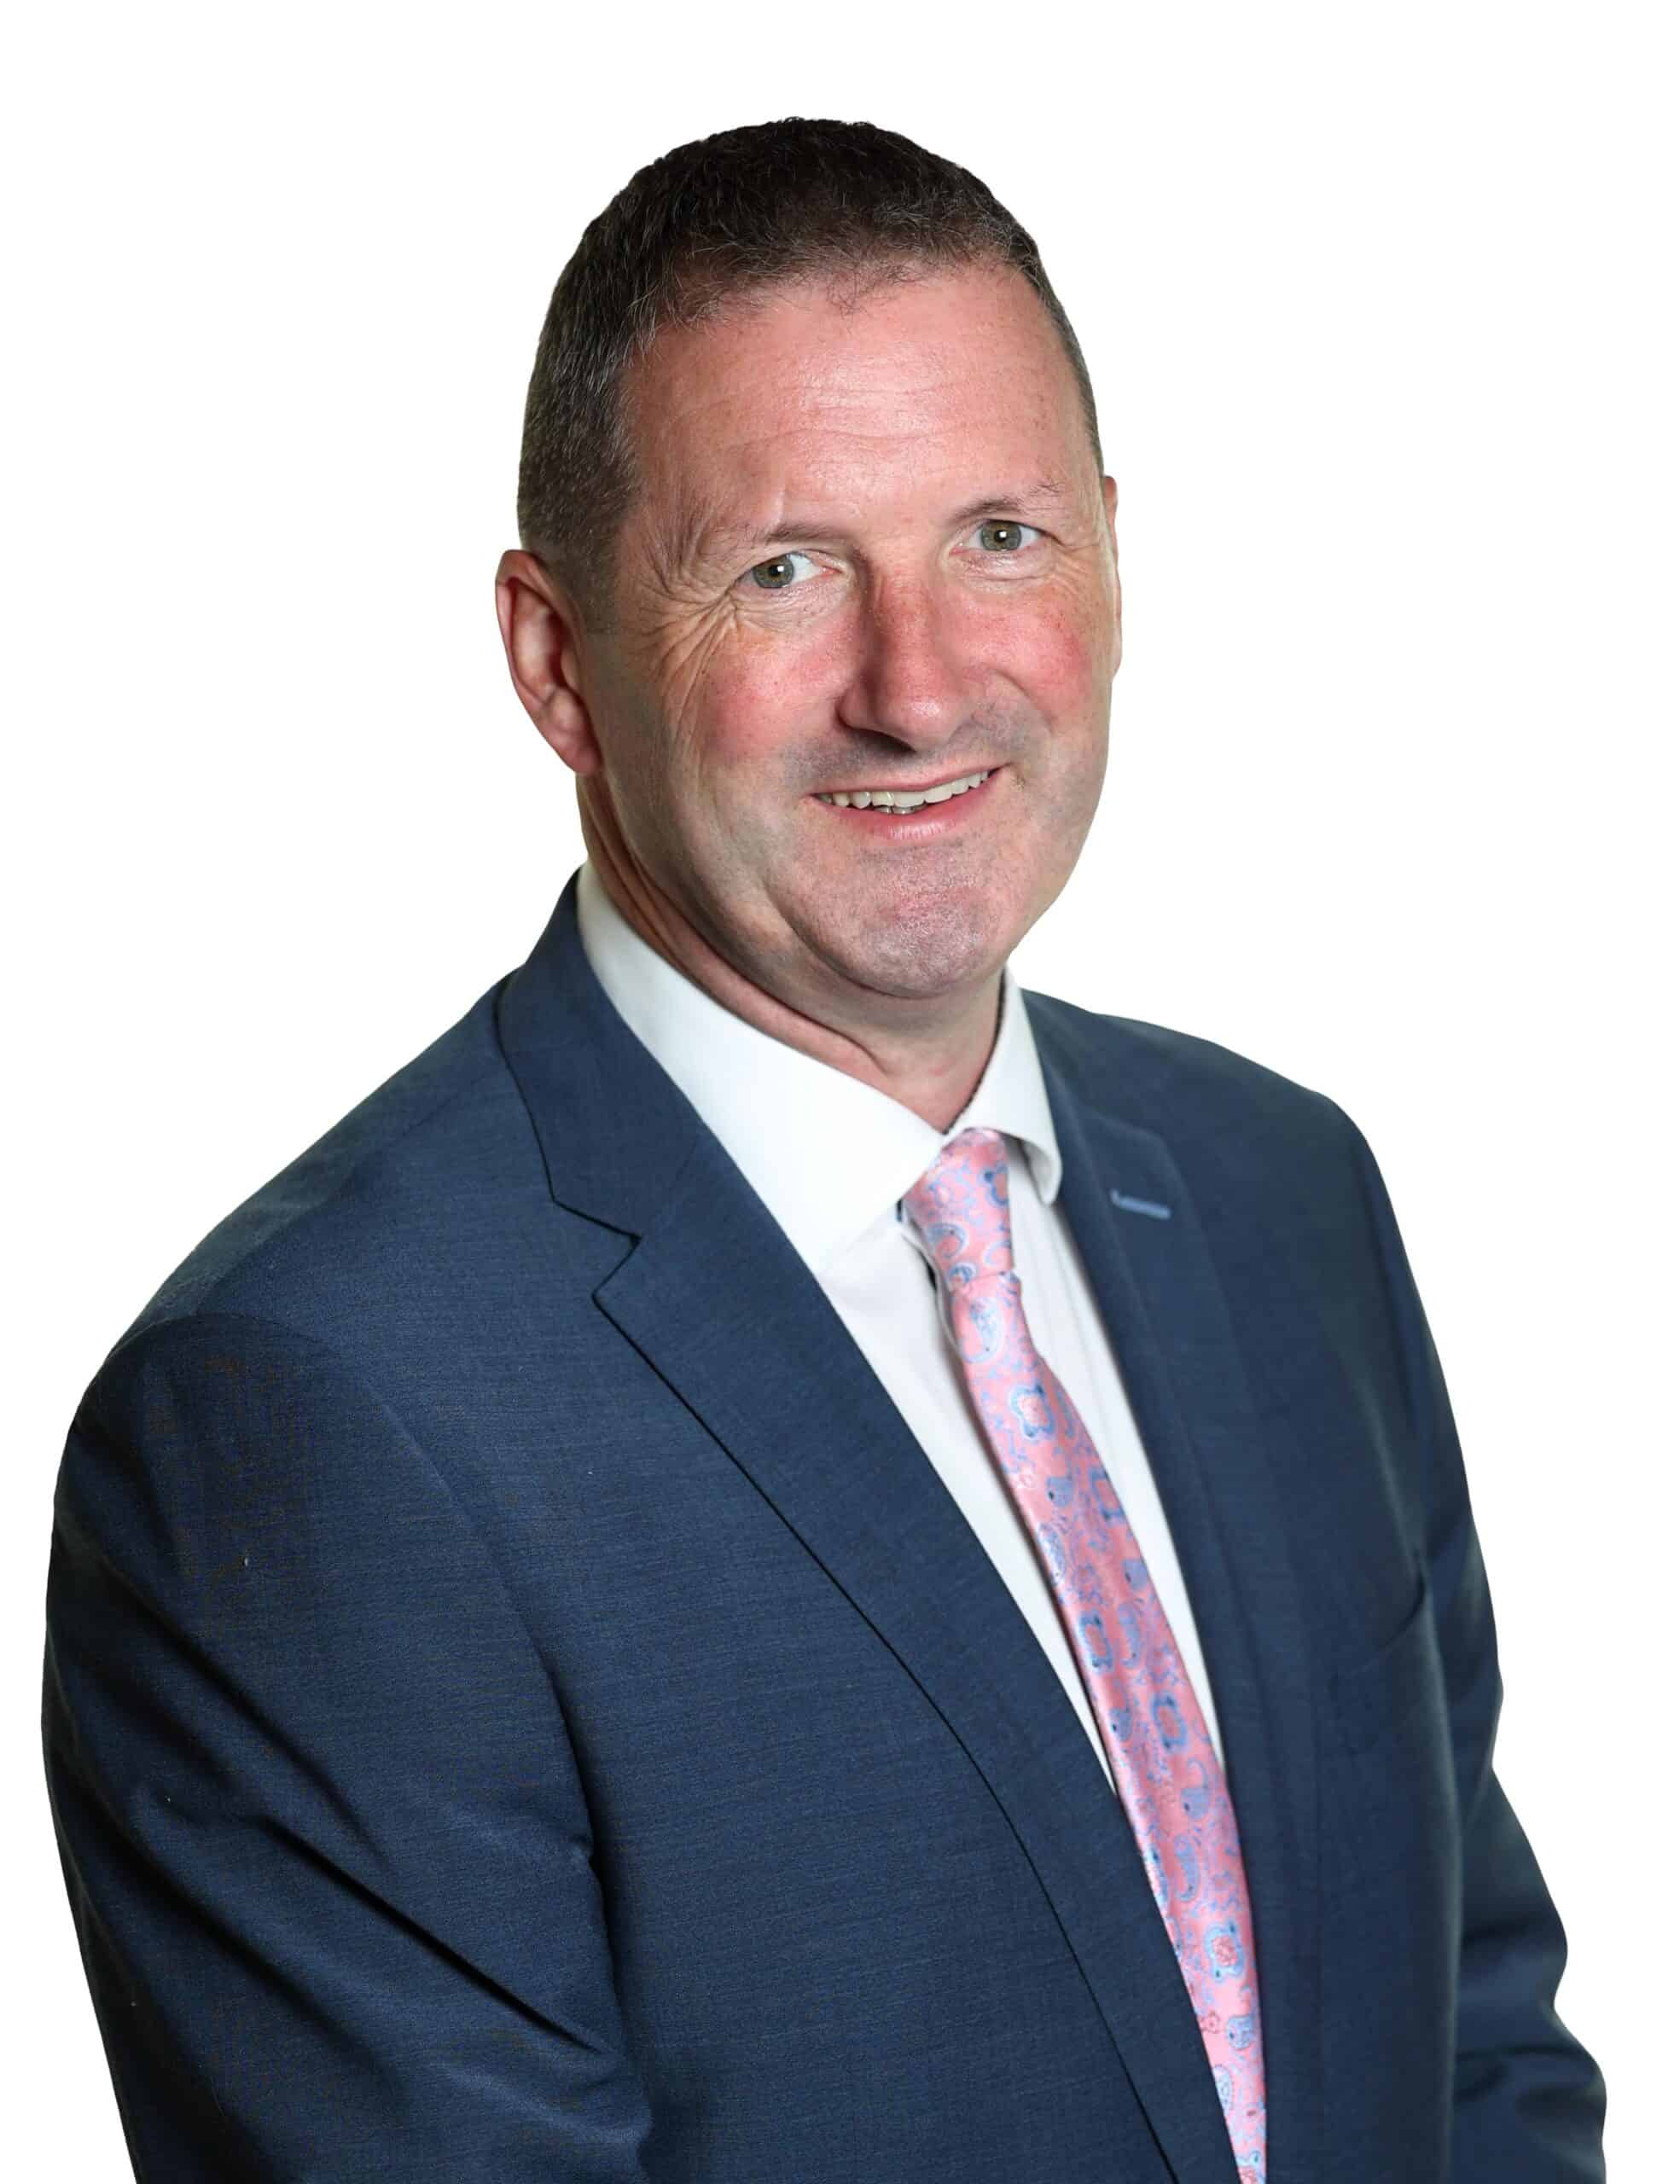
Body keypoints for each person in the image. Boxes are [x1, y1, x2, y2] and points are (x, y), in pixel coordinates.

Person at [42, 117, 1605, 2182]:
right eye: (784, 569)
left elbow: (1472, 2046)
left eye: (1000, 537)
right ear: (558, 661)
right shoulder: (311, 1413)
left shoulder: (1276, 1193)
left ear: (1113, 557)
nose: (920, 686)